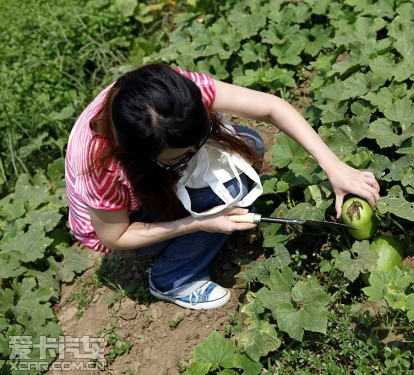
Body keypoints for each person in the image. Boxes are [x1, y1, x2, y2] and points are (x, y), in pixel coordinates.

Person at [65, 63, 380, 310]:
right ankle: (172, 279)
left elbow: (271, 107)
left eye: (199, 139)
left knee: (250, 143)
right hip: (123, 224)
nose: (196, 154)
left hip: (150, 177)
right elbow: (115, 236)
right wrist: (197, 222)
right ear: (144, 155)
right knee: (219, 199)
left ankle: (188, 189)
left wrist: (335, 167)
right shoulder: (97, 165)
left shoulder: (174, 97)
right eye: (180, 157)